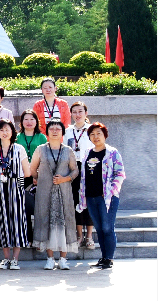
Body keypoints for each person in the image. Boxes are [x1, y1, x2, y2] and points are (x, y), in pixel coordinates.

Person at [30, 120, 79, 270]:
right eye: (52, 128)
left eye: (58, 128)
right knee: (46, 221)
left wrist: (65, 179)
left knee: (65, 222)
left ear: (63, 132)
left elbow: (75, 170)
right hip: (45, 192)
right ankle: (50, 258)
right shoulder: (40, 149)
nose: (55, 131)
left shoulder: (68, 150)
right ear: (47, 132)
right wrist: (41, 179)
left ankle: (63, 259)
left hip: (64, 192)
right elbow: (33, 168)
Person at [78, 123, 125, 270]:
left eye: (99, 133)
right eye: (92, 134)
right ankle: (103, 258)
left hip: (107, 198)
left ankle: (109, 259)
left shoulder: (112, 153)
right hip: (90, 197)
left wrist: (112, 190)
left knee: (107, 228)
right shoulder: (87, 153)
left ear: (104, 135)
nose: (96, 137)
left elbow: (120, 173)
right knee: (98, 228)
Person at [0, 120, 30, 269]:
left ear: (12, 132)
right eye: (1, 130)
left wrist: (15, 179)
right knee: (1, 222)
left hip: (16, 189)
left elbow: (27, 172)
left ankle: (15, 259)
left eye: (7, 130)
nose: (4, 133)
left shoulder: (19, 148)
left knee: (17, 223)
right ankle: (6, 258)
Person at [66, 101, 96, 248]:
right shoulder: (67, 131)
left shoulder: (92, 129)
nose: (77, 115)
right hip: (73, 168)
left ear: (86, 113)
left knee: (89, 201)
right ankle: (79, 236)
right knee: (76, 201)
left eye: (80, 111)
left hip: (89, 167)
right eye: (74, 112)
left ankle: (89, 236)